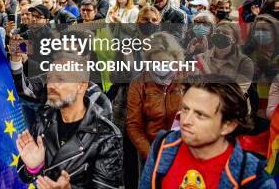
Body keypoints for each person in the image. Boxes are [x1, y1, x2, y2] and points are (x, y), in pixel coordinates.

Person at [140, 75, 274, 188]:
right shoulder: (163, 146)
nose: (185, 121)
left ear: (228, 125)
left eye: (200, 115)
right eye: (186, 109)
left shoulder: (254, 179)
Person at [16, 52, 123, 188]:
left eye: (60, 79)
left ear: (82, 86)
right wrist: (34, 168)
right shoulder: (43, 121)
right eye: (49, 77)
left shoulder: (107, 136)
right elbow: (23, 175)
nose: (50, 85)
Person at [127, 32, 185, 159]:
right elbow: (134, 125)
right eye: (155, 63)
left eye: (165, 62)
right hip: (150, 151)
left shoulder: (185, 80)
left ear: (175, 59)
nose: (161, 67)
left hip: (182, 151)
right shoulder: (139, 84)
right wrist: (150, 156)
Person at [195, 22, 254, 95]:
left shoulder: (245, 63)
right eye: (217, 32)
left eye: (225, 33)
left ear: (234, 40)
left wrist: (206, 71)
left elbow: (236, 93)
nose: (220, 34)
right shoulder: (202, 57)